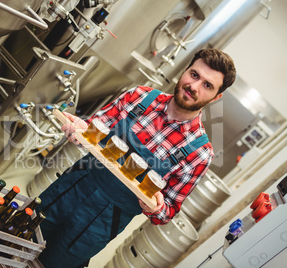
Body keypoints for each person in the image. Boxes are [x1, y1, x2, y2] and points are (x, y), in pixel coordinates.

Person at [36, 48, 236, 267]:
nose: (194, 87)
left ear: (217, 97)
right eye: (194, 75)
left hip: (100, 223)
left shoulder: (199, 154)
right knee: (20, 234)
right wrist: (79, 131)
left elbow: (166, 212)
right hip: (70, 189)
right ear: (186, 70)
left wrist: (156, 207)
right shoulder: (139, 96)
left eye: (207, 85)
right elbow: (93, 129)